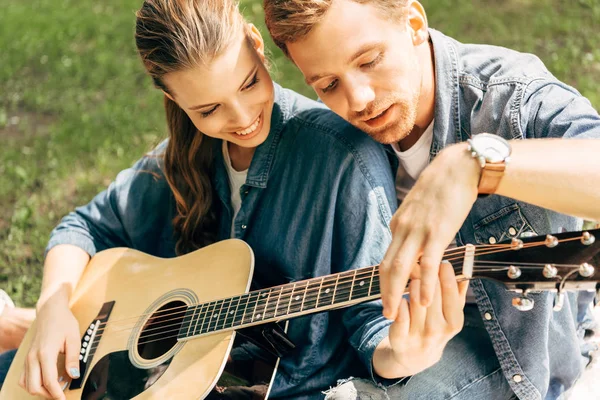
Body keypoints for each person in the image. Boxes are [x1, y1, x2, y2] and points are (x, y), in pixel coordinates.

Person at [0, 1, 469, 399]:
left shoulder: (342, 158)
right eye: (208, 109)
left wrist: (401, 355)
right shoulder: (187, 155)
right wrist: (52, 307)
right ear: (172, 97)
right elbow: (84, 227)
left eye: (248, 84)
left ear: (256, 43)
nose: (242, 117)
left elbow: (371, 323)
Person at [263, 0, 600, 399]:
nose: (358, 99)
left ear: (414, 22)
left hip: (508, 340)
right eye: (328, 85)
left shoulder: (512, 99)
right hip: (384, 336)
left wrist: (474, 165)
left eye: (368, 61)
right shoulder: (335, 137)